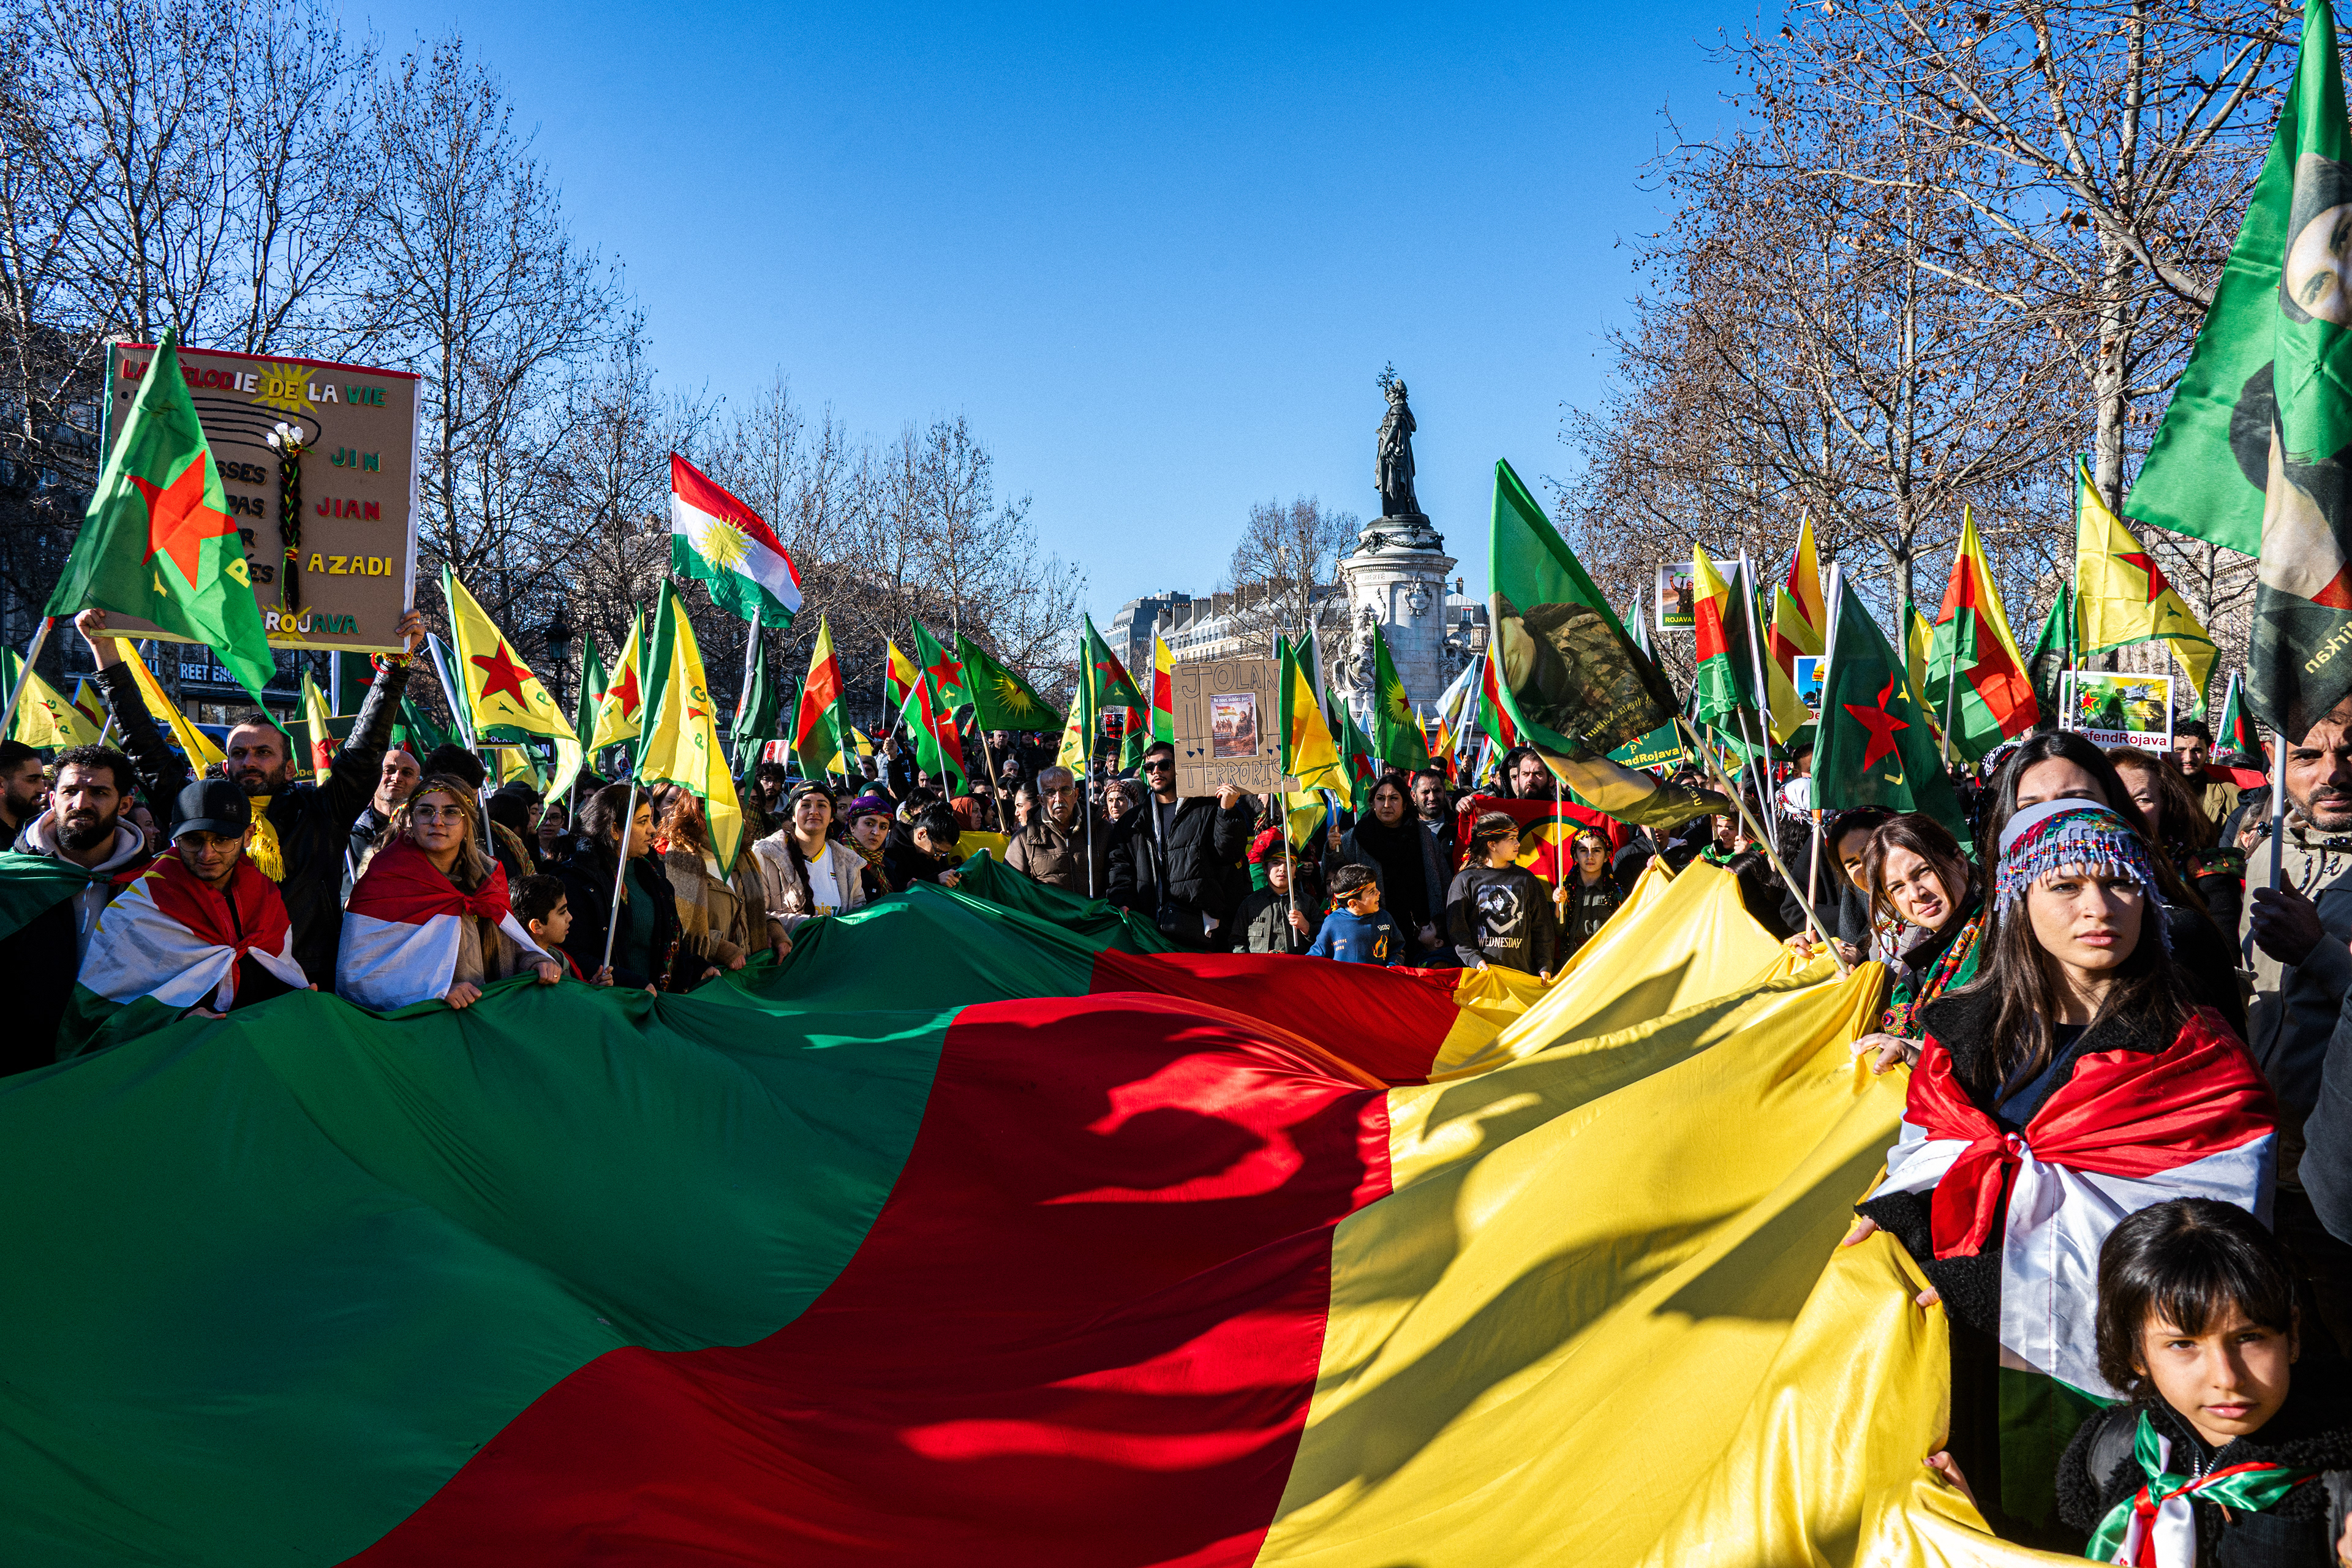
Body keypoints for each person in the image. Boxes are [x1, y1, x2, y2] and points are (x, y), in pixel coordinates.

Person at [1849, 800, 2277, 1544]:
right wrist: (1894, 1217)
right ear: (2019, 897)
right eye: (2066, 886)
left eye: (2121, 883)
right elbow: (1929, 1156)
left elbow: (2215, 1239)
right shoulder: (1960, 1032)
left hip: (2112, 1380)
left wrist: (2000, 1281)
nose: (2099, 907)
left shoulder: (2196, 1052)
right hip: (1966, 1359)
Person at [80, 605, 427, 987]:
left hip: (306, 980)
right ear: (225, 764)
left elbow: (364, 751)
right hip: (211, 982)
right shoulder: (197, 808)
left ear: (290, 768)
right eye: (239, 753)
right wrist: (104, 652)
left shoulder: (322, 812)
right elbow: (145, 749)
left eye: (263, 753)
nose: (249, 762)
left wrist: (395, 668)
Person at [2054, 1200, 2352, 1566]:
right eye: (2183, 1344)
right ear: (2136, 1353)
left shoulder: (2340, 1487)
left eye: (2249, 1338)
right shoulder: (2111, 1450)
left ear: (2292, 1335)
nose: (2227, 1378)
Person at [1989, 731, 2243, 1039]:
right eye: (2031, 808)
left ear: (2115, 808)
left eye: (2077, 801)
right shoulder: (1989, 934)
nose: (2057, 820)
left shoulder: (2183, 936)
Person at [66, 778, 311, 1051]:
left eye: (222, 840)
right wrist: (176, 1020)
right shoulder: (136, 908)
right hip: (176, 1058)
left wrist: (295, 993)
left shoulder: (265, 895)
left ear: (249, 835)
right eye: (193, 840)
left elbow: (274, 970)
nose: (207, 854)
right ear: (174, 835)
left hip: (258, 1049)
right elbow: (95, 1016)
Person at [337, 775, 562, 1011]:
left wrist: (534, 961)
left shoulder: (488, 876)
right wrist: (437, 989)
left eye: (451, 812)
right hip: (425, 1023)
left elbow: (508, 945)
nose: (437, 821)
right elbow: (358, 975)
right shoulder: (384, 878)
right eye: (426, 812)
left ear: (468, 823)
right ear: (412, 820)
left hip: (491, 1015)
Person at [0, 744, 153, 1072]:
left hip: (119, 1061)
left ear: (125, 804)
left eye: (99, 792)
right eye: (70, 791)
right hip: (20, 1070)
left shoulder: (153, 885)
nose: (81, 804)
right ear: (52, 798)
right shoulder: (8, 878)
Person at [1848, 814, 1984, 1067]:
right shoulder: (1927, 946)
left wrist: (1924, 1054)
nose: (1916, 894)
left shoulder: (2003, 938)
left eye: (1923, 872)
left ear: (1959, 863)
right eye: (1897, 887)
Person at [1108, 742, 1255, 949]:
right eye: (1149, 767)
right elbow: (1120, 867)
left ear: (1180, 767)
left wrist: (1227, 812)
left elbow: (1229, 853)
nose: (1156, 771)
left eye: (1164, 765)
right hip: (1149, 929)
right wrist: (1122, 901)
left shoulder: (1209, 809)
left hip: (1200, 930)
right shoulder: (1131, 821)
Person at [552, 783, 693, 992]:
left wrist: (698, 968)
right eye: (642, 822)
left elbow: (668, 943)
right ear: (614, 830)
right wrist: (631, 983)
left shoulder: (653, 873)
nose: (653, 830)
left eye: (651, 820)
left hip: (656, 998)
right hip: (613, 1001)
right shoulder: (578, 881)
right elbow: (573, 953)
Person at [2112, 743, 2241, 943]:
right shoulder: (2078, 870)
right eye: (2115, 799)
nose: (2127, 810)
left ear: (2168, 808)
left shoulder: (2206, 874)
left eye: (2143, 800)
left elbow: (2225, 954)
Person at [1324, 774, 1450, 962]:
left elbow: (1444, 882)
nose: (1386, 805)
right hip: (1374, 932)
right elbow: (1334, 880)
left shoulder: (1424, 837)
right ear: (1372, 803)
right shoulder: (1356, 838)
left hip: (1421, 933)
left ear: (1405, 803)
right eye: (1380, 798)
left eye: (1394, 798)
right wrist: (1332, 849)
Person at [663, 785, 789, 968]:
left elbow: (751, 912)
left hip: (750, 973)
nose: (715, 815)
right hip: (710, 976)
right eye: (704, 808)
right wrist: (720, 949)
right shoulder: (680, 861)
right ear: (689, 814)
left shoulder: (744, 856)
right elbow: (678, 928)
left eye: (722, 806)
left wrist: (775, 932)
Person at [1444, 812, 1561, 976]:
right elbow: (1457, 930)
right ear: (1492, 845)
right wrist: (1474, 959)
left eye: (1517, 838)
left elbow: (1542, 928)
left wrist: (1545, 966)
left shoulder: (1526, 879)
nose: (1518, 843)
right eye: (1511, 838)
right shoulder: (1465, 879)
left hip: (1520, 977)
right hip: (1480, 977)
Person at [750, 782, 869, 932]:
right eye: (805, 805)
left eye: (822, 805)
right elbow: (757, 914)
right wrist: (810, 924)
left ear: (832, 817)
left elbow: (858, 913)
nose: (814, 811)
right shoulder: (765, 855)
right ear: (794, 816)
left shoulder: (849, 862)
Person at [1003, 765, 1109, 895]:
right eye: (1050, 792)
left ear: (1076, 795)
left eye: (1065, 790)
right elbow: (1011, 888)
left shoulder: (1102, 829)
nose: (1058, 798)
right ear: (1041, 800)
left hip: (1096, 908)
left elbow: (1118, 877)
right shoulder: (1023, 839)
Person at [344, 745, 421, 894]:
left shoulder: (426, 830)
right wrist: (346, 902)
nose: (397, 777)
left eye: (407, 773)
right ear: (373, 777)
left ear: (418, 783)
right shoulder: (347, 829)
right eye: (389, 770)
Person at [1232, 839, 1324, 954]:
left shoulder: (1308, 903)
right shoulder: (1250, 904)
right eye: (1276, 863)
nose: (1283, 869)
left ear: (1296, 872)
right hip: (1261, 965)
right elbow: (1237, 942)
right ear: (1265, 868)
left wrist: (1306, 927)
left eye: (1289, 864)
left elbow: (1324, 941)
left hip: (1297, 965)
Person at [512, 873, 608, 984]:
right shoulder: (538, 973)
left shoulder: (559, 955)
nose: (570, 917)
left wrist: (593, 987)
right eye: (562, 912)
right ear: (537, 926)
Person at [1305, 862, 1406, 965]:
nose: (1378, 893)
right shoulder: (1333, 923)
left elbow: (1397, 950)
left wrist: (1391, 967)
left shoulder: (1385, 918)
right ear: (1353, 904)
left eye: (1376, 888)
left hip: (1378, 976)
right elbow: (1315, 957)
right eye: (1372, 892)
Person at [1559, 827, 1623, 960]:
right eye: (1583, 850)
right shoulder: (1567, 890)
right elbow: (1558, 930)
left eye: (1596, 850)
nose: (1590, 856)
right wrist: (1558, 904)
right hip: (1572, 963)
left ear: (1607, 856)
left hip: (1603, 962)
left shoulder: (1615, 893)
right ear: (1575, 856)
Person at [2171, 718, 2243, 830]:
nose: (2188, 758)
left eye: (2197, 751)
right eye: (2180, 750)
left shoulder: (2233, 795)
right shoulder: (2155, 791)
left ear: (2208, 752)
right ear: (2169, 752)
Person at [883, 805, 964, 892]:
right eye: (938, 851)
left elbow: (943, 872)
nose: (938, 858)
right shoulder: (891, 851)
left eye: (943, 854)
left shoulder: (933, 850)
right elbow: (895, 890)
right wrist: (936, 880)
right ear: (921, 834)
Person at [840, 794, 895, 901]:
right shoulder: (836, 860)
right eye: (869, 824)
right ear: (852, 825)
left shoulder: (884, 865)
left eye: (883, 827)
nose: (876, 832)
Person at [0, 739, 45, 849]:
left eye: (42, 779)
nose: (43, 790)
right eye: (32, 780)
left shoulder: (34, 834)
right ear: (1, 785)